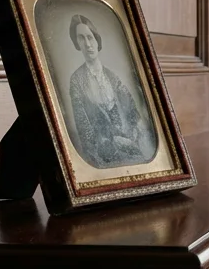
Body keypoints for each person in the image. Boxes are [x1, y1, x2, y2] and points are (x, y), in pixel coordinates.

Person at [66, 13, 157, 168]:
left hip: (130, 142)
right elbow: (83, 128)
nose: (87, 44)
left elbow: (132, 112)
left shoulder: (112, 77)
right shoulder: (76, 80)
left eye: (90, 37)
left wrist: (134, 136)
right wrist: (109, 144)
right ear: (77, 44)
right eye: (81, 38)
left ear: (96, 40)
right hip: (103, 151)